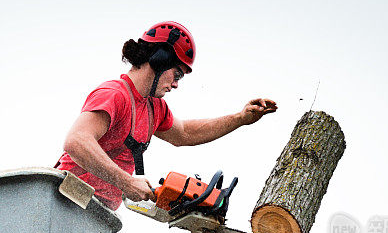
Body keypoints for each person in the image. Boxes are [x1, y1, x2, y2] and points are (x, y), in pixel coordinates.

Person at [55, 21, 277, 211]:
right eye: (177, 74)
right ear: (159, 59)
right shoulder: (115, 94)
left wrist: (240, 118)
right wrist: (127, 182)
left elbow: (185, 134)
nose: (176, 84)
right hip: (63, 199)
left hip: (98, 212)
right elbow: (76, 141)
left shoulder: (154, 107)